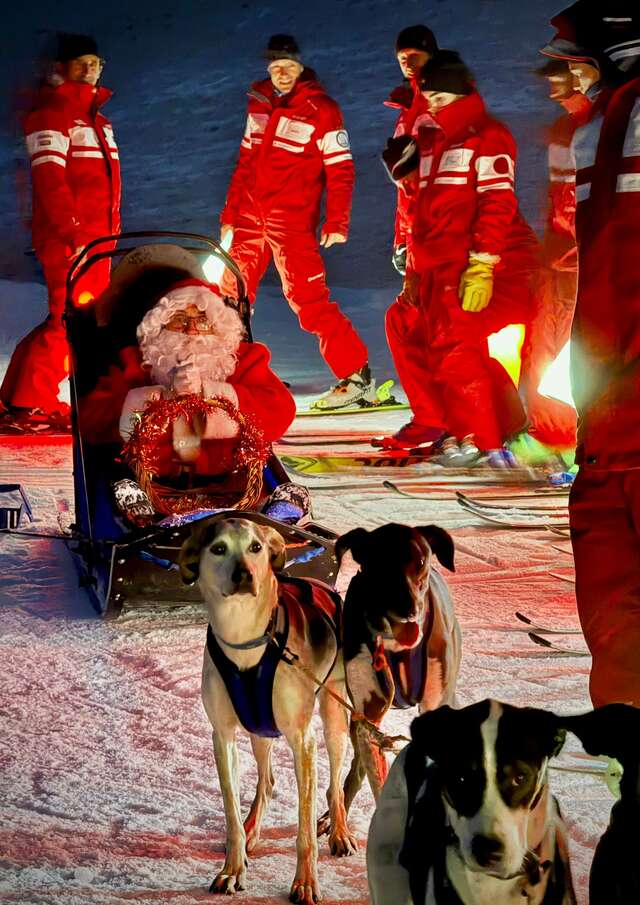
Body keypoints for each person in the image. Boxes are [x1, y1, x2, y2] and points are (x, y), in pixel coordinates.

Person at [540, 1, 640, 707]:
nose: (564, 71)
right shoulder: (595, 128)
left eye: (575, 57)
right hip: (610, 426)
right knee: (615, 621)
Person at [384, 51, 538, 466]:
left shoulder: (487, 136)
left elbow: (496, 202)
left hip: (467, 263)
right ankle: (449, 426)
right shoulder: (432, 141)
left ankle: (486, 443)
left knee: (456, 349)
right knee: (414, 332)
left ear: (460, 91)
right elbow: (420, 214)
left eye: (439, 98)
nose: (432, 106)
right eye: (428, 98)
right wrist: (413, 270)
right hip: (433, 264)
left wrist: (483, 263)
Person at [219, 34, 375, 411]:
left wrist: (337, 220)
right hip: (248, 218)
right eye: (276, 68)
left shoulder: (322, 109)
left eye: (289, 67)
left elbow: (341, 170)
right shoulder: (258, 105)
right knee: (229, 295)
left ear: (301, 67)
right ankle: (232, 373)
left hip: (291, 221)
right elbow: (244, 164)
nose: (282, 74)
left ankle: (358, 378)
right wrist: (229, 217)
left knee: (307, 299)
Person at [0, 33, 121, 432]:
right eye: (80, 63)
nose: (90, 70)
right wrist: (72, 233)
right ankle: (30, 401)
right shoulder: (51, 114)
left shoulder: (99, 122)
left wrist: (109, 232)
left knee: (67, 316)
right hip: (69, 238)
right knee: (72, 320)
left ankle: (21, 395)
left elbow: (104, 184)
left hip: (97, 238)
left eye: (95, 62)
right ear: (62, 69)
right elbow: (50, 179)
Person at [79, 280, 296, 479]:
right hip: (150, 485)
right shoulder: (135, 362)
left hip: (235, 482)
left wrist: (209, 394)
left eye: (203, 321)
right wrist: (160, 399)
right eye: (179, 320)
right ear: (160, 327)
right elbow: (92, 420)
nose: (192, 330)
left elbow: (281, 410)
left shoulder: (244, 359)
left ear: (218, 327)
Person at [376, 25, 449, 450]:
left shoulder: (438, 102)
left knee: (429, 326)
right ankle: (433, 417)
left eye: (415, 55)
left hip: (439, 236)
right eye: (403, 56)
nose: (408, 62)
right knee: (409, 322)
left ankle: (452, 421)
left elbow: (432, 182)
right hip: (418, 235)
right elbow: (405, 186)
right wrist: (401, 241)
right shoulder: (408, 107)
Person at [519, 59, 591, 448]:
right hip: (558, 259)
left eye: (559, 80)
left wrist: (579, 248)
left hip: (582, 262)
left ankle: (573, 438)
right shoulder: (565, 129)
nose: (551, 90)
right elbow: (558, 200)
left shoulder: (598, 126)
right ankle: (550, 435)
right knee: (544, 344)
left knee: (573, 351)